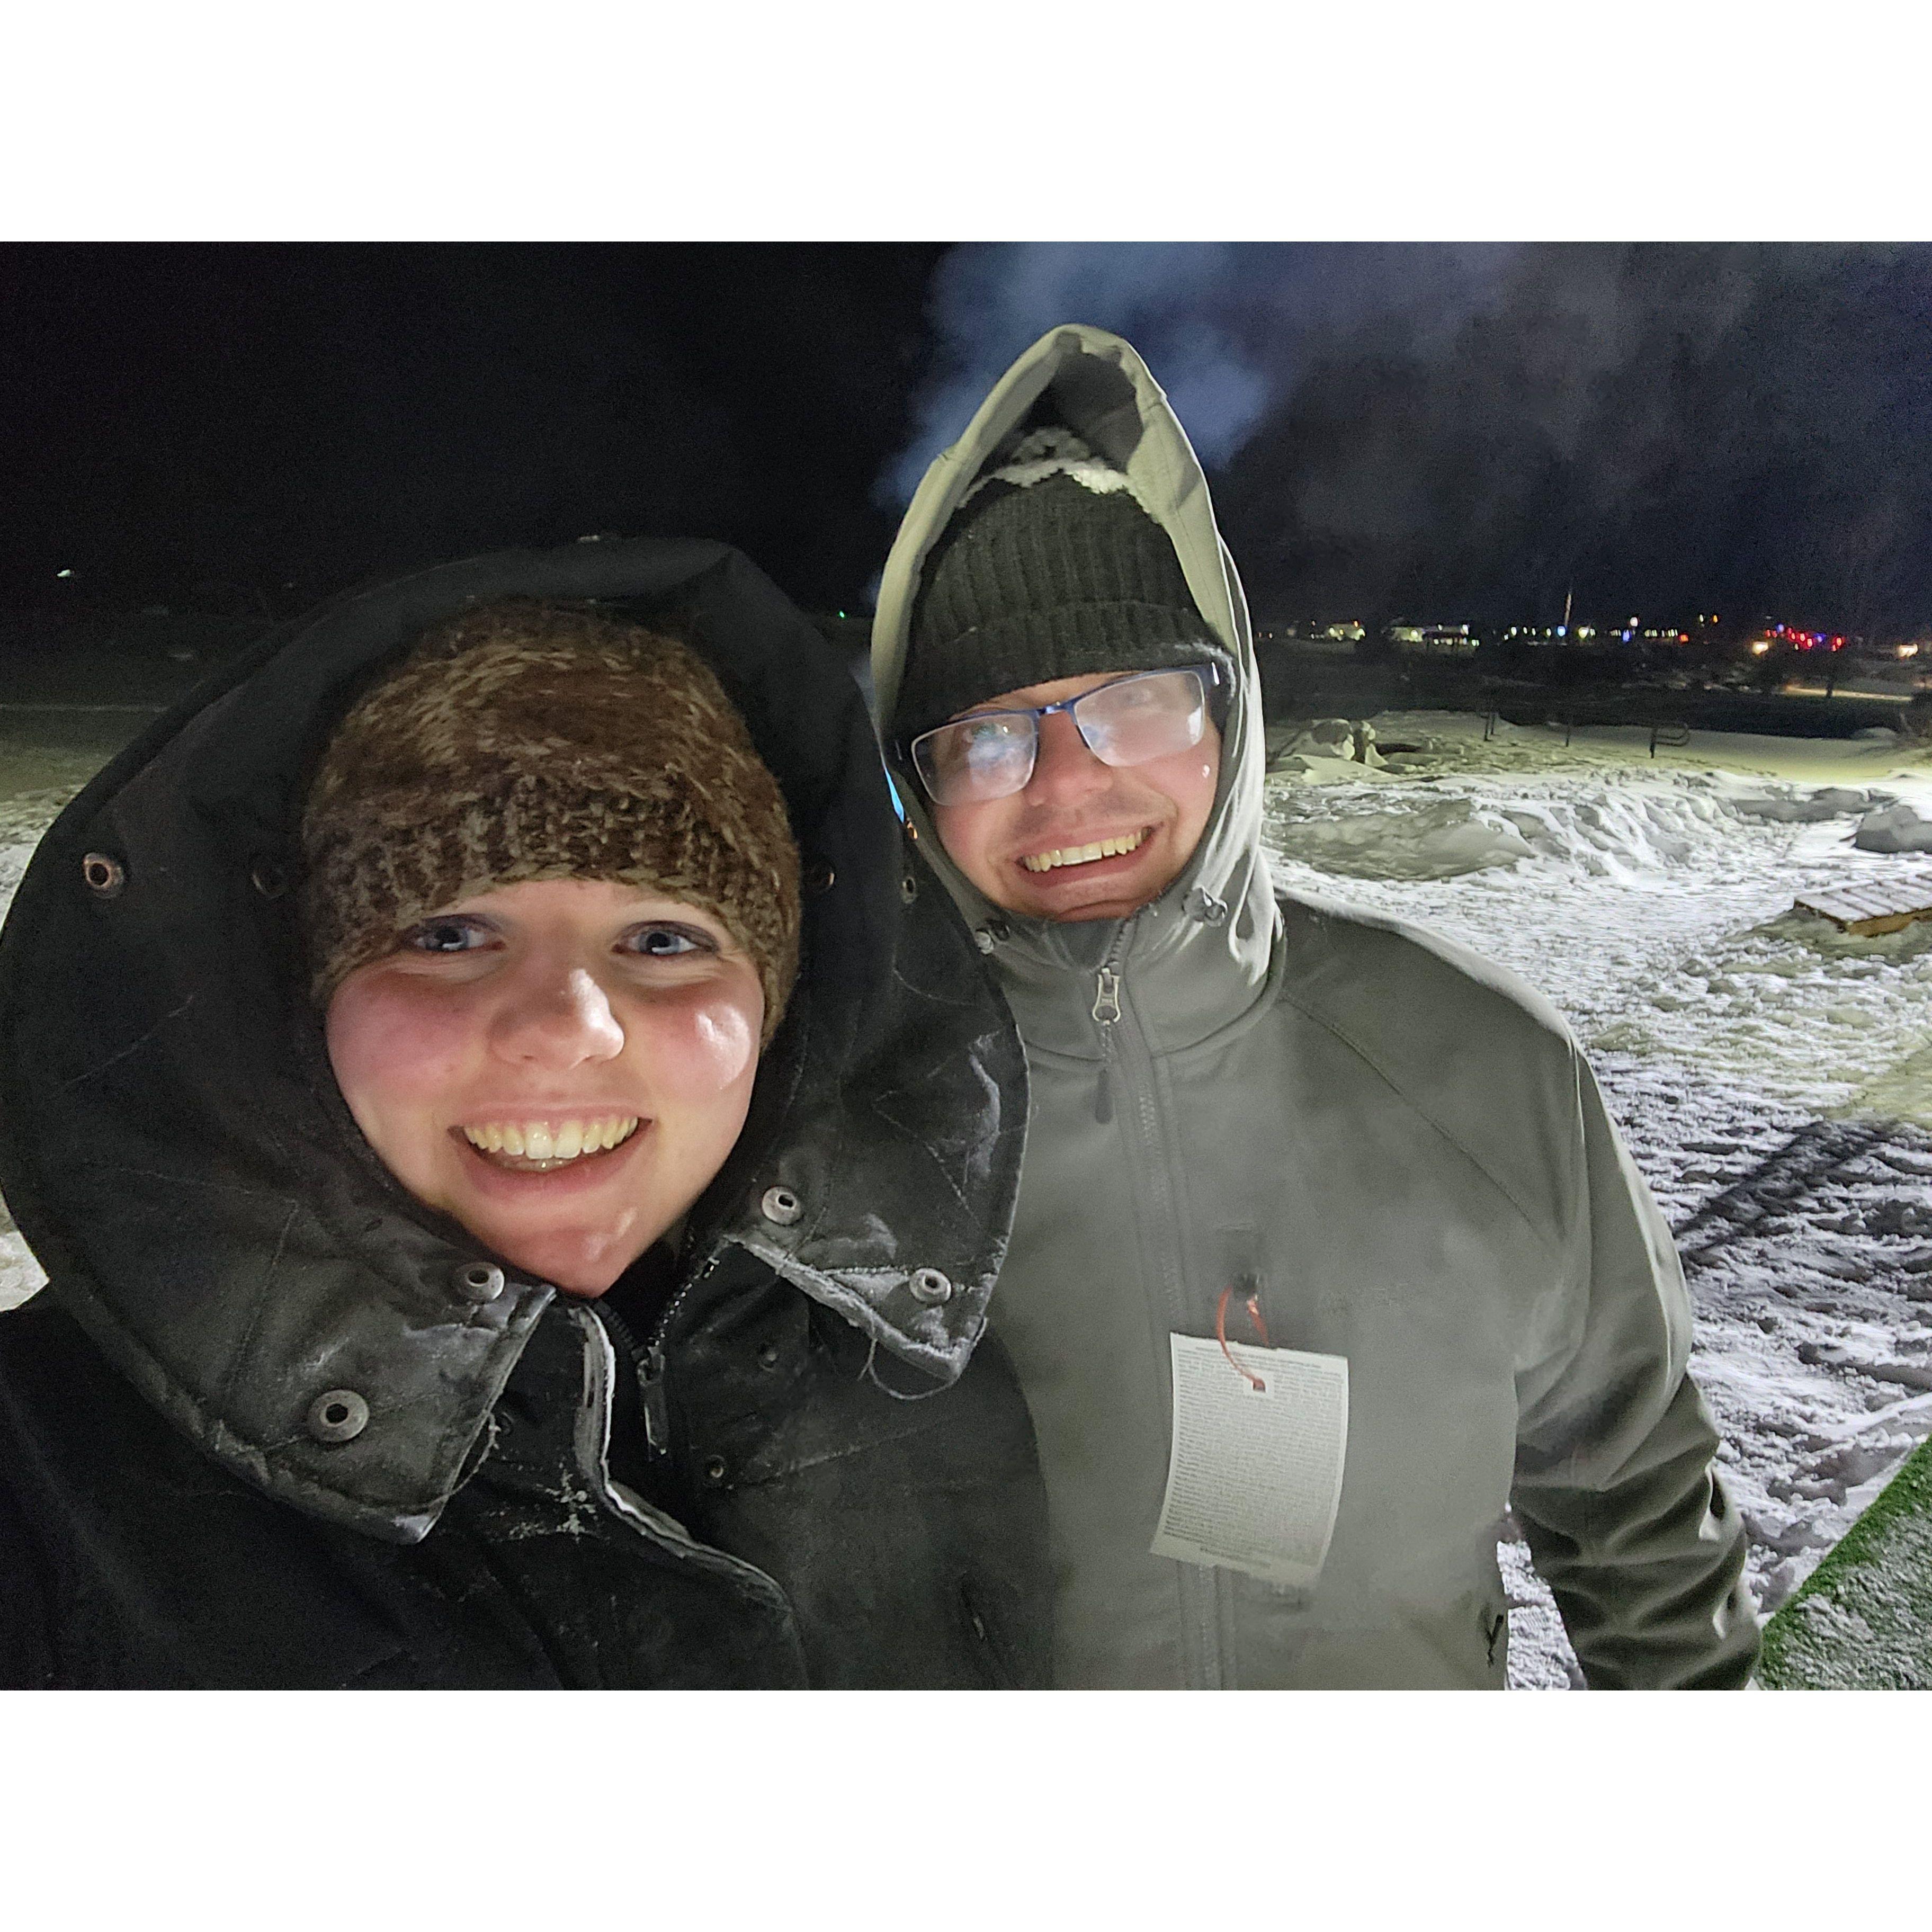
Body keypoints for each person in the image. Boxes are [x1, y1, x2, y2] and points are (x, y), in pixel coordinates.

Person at [872, 323, 1760, 1689]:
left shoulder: (1482, 1062)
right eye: (988, 735)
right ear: (918, 786)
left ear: (1229, 716)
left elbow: (1637, 1496)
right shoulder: (858, 1118)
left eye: (1134, 703)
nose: (1067, 786)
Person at [0, 538, 1047, 1688]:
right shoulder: (57, 1476)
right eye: (448, 935)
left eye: (663, 940)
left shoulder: (913, 1373)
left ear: (780, 1005)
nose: (566, 1025)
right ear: (312, 995)